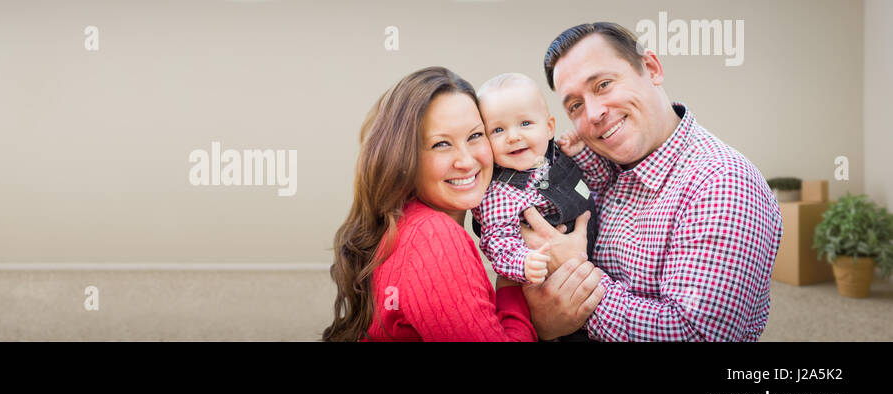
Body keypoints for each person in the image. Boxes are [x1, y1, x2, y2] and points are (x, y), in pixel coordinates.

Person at [523, 22, 783, 341]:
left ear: (652, 68)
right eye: (575, 105)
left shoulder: (723, 182)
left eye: (603, 84)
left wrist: (574, 278)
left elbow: (695, 335)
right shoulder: (600, 167)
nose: (592, 114)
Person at [322, 66, 605, 342]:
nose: (467, 161)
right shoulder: (433, 236)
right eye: (441, 144)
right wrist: (535, 318)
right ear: (404, 157)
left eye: (474, 136)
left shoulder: (409, 224)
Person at [470, 72, 602, 342]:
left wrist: (582, 153)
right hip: (548, 288)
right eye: (498, 130)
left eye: (525, 123)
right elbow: (497, 242)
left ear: (549, 127)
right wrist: (523, 262)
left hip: (595, 269)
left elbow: (597, 184)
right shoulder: (501, 192)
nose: (513, 136)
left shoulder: (557, 157)